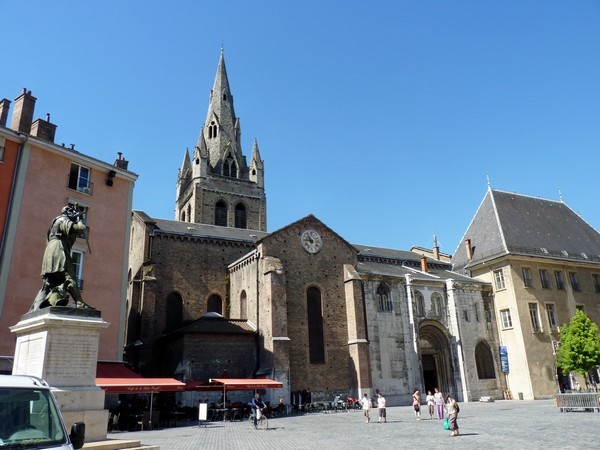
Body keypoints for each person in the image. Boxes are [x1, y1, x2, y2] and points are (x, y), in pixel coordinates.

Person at [30, 205, 94, 311]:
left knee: (48, 283)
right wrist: (80, 220)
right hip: (59, 249)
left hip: (50, 251)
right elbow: (79, 229)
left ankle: (35, 308)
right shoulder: (63, 219)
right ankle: (79, 303)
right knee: (69, 276)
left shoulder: (54, 222)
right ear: (67, 212)